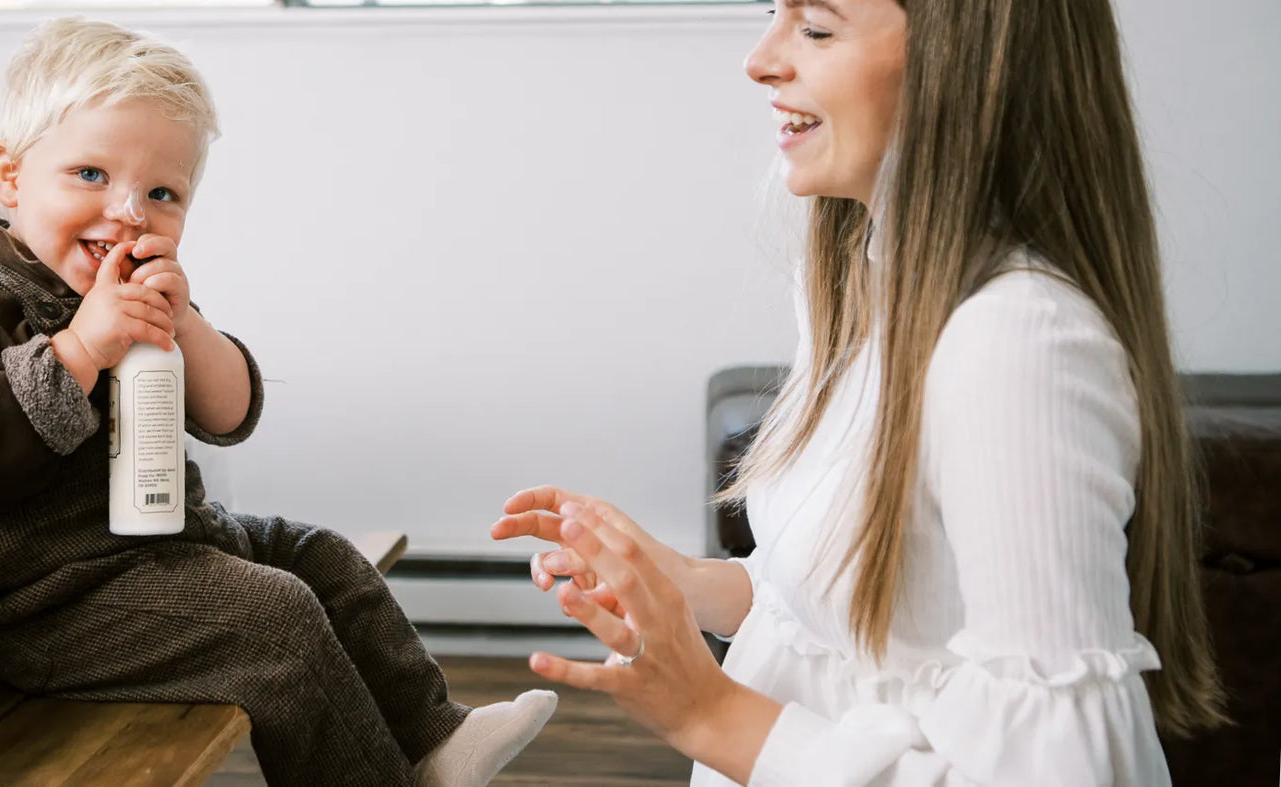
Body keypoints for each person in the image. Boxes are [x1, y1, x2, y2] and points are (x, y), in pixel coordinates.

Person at [491, 0, 1227, 784]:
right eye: (774, 14)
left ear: (967, 65)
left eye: (816, 28)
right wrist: (680, 582)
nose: (761, 59)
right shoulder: (861, 288)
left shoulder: (1016, 342)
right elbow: (871, 641)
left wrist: (713, 713)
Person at [0, 17, 554, 787]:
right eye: (90, 174)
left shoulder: (133, 294)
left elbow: (230, 413)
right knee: (274, 619)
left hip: (172, 551)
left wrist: (185, 325)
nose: (128, 211)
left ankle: (433, 734)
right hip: (51, 608)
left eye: (162, 192)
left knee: (317, 555)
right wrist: (83, 350)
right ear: (11, 175)